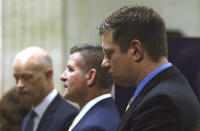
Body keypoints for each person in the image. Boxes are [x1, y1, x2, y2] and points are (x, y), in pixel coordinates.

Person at [98, 5, 200, 131]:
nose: (104, 63)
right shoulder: (162, 90)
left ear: (136, 50)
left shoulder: (162, 103)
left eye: (109, 53)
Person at [12, 46, 78, 131]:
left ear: (48, 75)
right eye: (16, 78)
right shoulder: (28, 119)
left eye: (27, 77)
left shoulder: (69, 117)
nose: (19, 85)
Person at [60, 43, 120, 131]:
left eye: (70, 69)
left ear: (90, 76)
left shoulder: (94, 126)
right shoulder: (101, 114)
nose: (62, 76)